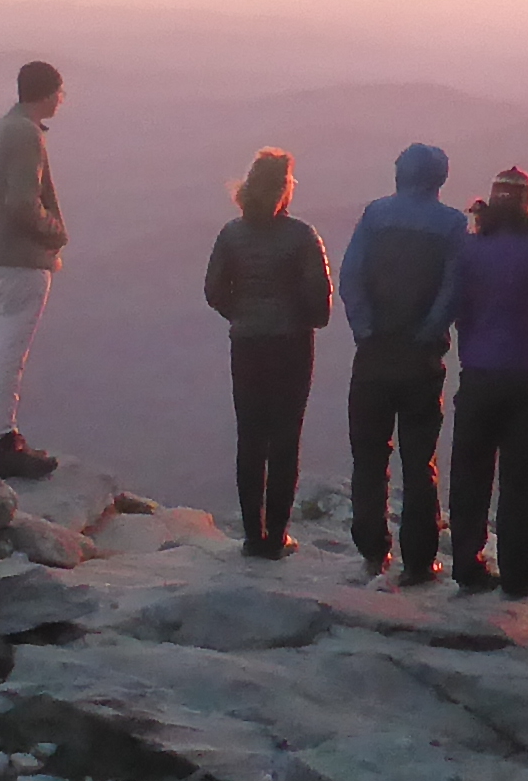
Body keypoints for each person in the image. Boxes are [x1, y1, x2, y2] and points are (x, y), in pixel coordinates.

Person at [329, 141, 469, 584]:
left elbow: (350, 277)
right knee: (418, 458)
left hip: (373, 355)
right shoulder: (452, 225)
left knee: (368, 453)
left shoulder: (374, 216)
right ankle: (419, 560)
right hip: (421, 361)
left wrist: (367, 329)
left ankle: (372, 550)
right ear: (439, 178)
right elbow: (453, 290)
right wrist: (427, 334)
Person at [442, 162, 528, 598]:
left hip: (479, 374)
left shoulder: (471, 251)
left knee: (470, 475)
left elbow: (456, 305)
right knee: (520, 482)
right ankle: (517, 577)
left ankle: (467, 564)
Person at [200, 148, 332, 557]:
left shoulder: (231, 234)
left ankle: (251, 536)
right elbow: (321, 303)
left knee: (251, 436)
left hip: (247, 343)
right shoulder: (301, 236)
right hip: (291, 346)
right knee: (285, 439)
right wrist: (300, 318)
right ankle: (277, 535)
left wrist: (241, 314)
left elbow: (213, 291)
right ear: (284, 188)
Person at [0, 59, 66, 478]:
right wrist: (54, 234)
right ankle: (1, 442)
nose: (62, 99)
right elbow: (21, 202)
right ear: (47, 94)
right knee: (10, 355)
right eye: (60, 92)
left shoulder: (2, 126)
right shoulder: (26, 133)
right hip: (21, 262)